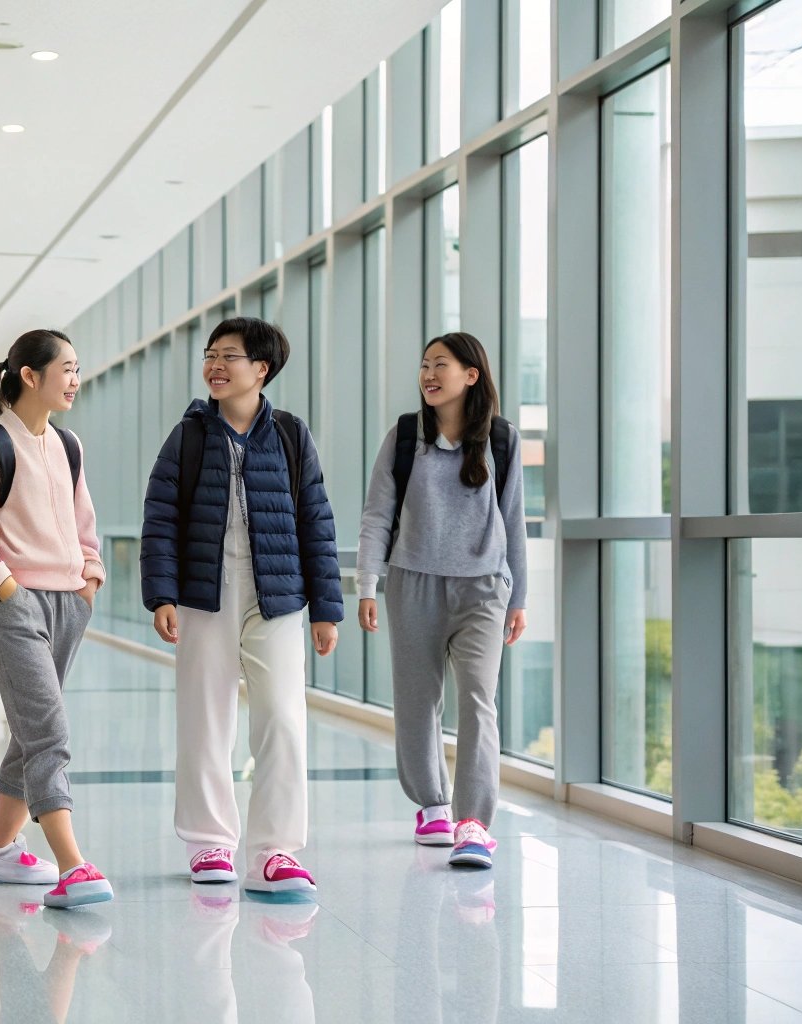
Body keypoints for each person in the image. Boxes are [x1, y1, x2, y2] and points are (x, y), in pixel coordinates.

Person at [140, 316, 343, 894]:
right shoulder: (189, 435)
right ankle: (209, 844)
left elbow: (316, 520)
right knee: (206, 718)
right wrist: (162, 594)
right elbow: (160, 518)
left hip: (276, 594)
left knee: (282, 717)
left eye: (229, 355)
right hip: (205, 592)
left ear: (262, 368)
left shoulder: (290, 434)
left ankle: (275, 850)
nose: (215, 365)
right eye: (210, 355)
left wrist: (326, 608)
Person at [0, 328, 113, 909]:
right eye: (66, 368)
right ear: (29, 376)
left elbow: (84, 523)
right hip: (12, 605)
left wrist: (89, 578)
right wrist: (7, 587)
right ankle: (72, 864)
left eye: (76, 367)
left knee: (29, 727)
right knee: (50, 731)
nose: (75, 378)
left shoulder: (69, 446)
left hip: (69, 603)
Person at [356, 331, 528, 869]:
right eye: (425, 365)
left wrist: (518, 595)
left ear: (470, 375)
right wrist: (366, 584)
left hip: (482, 588)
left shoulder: (501, 439)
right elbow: (377, 514)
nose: (428, 374)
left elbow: (514, 519)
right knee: (416, 699)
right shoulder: (406, 436)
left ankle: (473, 820)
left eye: (441, 365)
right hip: (413, 583)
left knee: (478, 698)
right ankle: (432, 803)